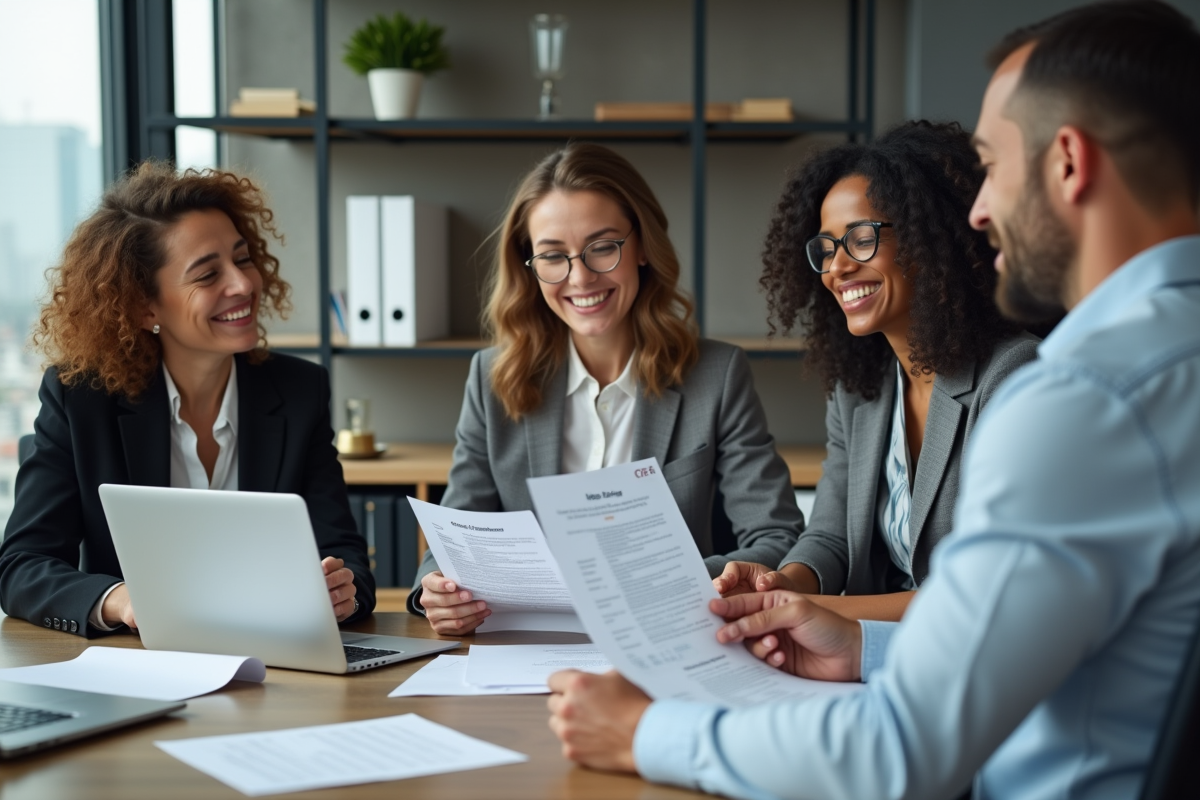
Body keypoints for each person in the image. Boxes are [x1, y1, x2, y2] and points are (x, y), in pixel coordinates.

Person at [545, 2, 1200, 797]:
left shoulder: (1078, 398)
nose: (981, 209)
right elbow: (1018, 650)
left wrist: (644, 731)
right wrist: (848, 637)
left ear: (1068, 162)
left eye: (993, 166)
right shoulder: (1164, 358)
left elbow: (904, 750)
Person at [409, 142, 802, 634]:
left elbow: (778, 537)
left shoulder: (716, 375)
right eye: (553, 256)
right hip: (529, 645)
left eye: (602, 247)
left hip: (671, 634)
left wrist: (660, 584)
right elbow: (456, 540)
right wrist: (437, 591)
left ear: (641, 247)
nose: (580, 277)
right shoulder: (492, 379)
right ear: (530, 266)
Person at [0, 162, 375, 637]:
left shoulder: (300, 391)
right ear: (144, 306)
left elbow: (345, 556)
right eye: (207, 275)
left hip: (281, 662)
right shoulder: (80, 399)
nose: (242, 284)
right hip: (139, 667)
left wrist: (342, 592)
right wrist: (121, 600)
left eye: (242, 259)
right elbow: (21, 567)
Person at [713, 121, 1038, 621]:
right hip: (862, 654)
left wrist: (805, 608)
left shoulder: (1011, 376)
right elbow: (831, 535)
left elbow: (984, 587)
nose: (837, 268)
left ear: (931, 238)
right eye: (825, 248)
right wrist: (780, 582)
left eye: (861, 238)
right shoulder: (859, 389)